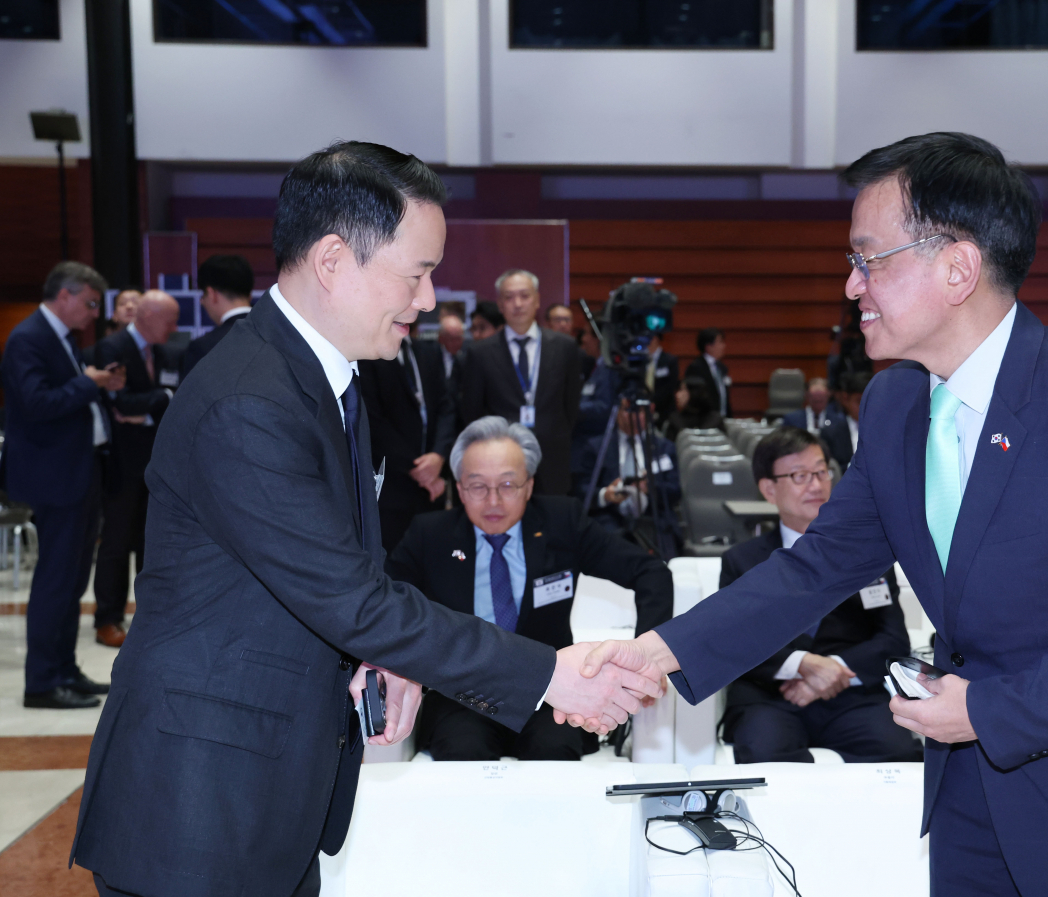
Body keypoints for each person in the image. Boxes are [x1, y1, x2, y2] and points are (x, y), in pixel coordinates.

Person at [573, 132, 1048, 897]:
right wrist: (661, 653)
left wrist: (992, 710)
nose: (851, 286)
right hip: (972, 792)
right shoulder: (898, 402)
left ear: (957, 266)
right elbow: (816, 566)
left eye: (869, 259)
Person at [69, 141, 662, 897]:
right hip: (202, 803)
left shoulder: (320, 377)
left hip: (264, 788)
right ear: (332, 259)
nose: (425, 299)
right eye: (416, 273)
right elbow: (351, 597)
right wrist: (546, 672)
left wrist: (378, 655)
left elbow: (316, 575)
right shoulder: (253, 399)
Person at [387, 416, 673, 760]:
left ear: (529, 486)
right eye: (478, 486)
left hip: (553, 690)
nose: (493, 501)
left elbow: (651, 572)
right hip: (461, 692)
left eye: (508, 485)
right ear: (460, 488)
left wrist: (643, 658)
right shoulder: (429, 535)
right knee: (464, 748)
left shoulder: (562, 522)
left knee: (552, 750)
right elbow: (386, 602)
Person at [719, 427, 920, 764]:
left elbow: (893, 639)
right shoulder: (743, 561)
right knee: (763, 755)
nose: (815, 485)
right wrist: (803, 665)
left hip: (851, 695)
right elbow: (731, 640)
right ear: (769, 489)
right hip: (770, 695)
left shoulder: (867, 554)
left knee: (899, 753)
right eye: (799, 475)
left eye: (820, 471)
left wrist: (835, 670)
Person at [1, 262, 124, 708]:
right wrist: (86, 384)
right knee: (55, 581)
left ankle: (64, 669)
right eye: (90, 303)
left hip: (77, 470)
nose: (94, 313)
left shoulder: (61, 337)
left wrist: (95, 384)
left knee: (72, 581)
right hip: (54, 477)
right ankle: (42, 682)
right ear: (65, 295)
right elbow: (36, 404)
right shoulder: (29, 337)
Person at [90, 290, 181, 648]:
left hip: (156, 463)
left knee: (152, 543)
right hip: (121, 464)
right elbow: (118, 402)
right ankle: (107, 618)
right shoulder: (112, 348)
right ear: (146, 316)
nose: (174, 328)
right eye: (169, 320)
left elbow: (176, 396)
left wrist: (154, 403)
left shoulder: (165, 351)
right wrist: (160, 399)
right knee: (114, 542)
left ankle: (149, 617)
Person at [461, 269, 583, 495]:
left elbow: (571, 406)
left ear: (537, 300)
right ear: (500, 304)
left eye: (524, 296)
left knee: (552, 524)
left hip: (553, 458)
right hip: (500, 461)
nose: (517, 303)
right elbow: (472, 411)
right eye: (509, 297)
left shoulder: (565, 347)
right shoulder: (480, 353)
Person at [358, 330, 456, 553]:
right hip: (391, 487)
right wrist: (418, 469)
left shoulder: (428, 351)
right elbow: (372, 421)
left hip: (434, 484)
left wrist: (439, 456)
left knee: (434, 560)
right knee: (393, 565)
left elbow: (446, 407)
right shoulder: (366, 354)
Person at [575, 398, 681, 554]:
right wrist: (605, 495)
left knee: (664, 539)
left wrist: (649, 487)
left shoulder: (664, 448)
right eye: (627, 410)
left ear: (648, 412)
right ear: (616, 412)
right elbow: (580, 489)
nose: (632, 417)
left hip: (654, 517)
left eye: (637, 411)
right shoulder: (597, 448)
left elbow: (676, 491)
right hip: (611, 517)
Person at [181, 254, 255, 376]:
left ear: (212, 294)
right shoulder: (277, 334)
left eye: (203, 295)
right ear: (249, 294)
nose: (202, 302)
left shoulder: (203, 348)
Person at [821, 371, 870, 470]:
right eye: (859, 401)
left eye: (871, 401)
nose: (866, 407)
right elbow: (830, 469)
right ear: (845, 399)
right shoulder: (831, 432)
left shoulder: (887, 430)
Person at [685, 327, 731, 417]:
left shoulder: (722, 368)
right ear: (708, 346)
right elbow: (696, 399)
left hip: (722, 418)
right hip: (705, 419)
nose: (723, 346)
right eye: (720, 342)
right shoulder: (695, 367)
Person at [662, 376, 724, 440]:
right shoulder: (675, 420)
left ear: (694, 392)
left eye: (682, 389)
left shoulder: (715, 420)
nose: (677, 395)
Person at [646, 333, 680, 423]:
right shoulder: (640, 361)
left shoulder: (670, 360)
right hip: (644, 411)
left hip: (665, 413)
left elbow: (670, 387)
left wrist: (653, 403)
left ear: (655, 339)